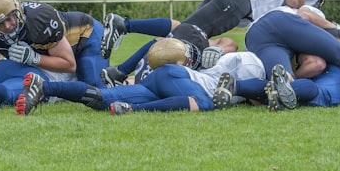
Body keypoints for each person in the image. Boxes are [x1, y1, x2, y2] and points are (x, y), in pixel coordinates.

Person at [100, 0, 327, 59]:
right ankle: (123, 36)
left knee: (184, 32)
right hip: (241, 0)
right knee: (184, 38)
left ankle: (126, 31)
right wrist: (301, 16)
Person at [18, 36, 266, 115]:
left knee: (102, 99)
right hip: (180, 79)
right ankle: (135, 110)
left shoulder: (237, 60)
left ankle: (46, 87)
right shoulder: (253, 63)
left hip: (161, 79)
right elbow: (251, 89)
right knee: (204, 104)